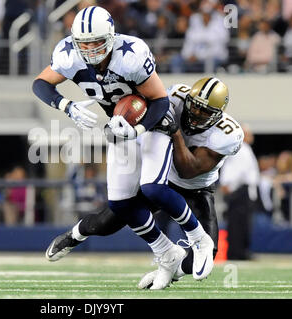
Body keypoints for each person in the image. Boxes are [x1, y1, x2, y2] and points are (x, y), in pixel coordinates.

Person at [32, 6, 215, 290]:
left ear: (111, 36)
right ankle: (166, 253)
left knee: (153, 188)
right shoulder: (67, 54)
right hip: (119, 127)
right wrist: (65, 105)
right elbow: (41, 83)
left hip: (153, 124)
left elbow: (160, 100)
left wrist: (139, 129)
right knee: (120, 204)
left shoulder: (131, 54)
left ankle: (198, 238)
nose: (91, 49)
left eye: (96, 42)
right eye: (85, 43)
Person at [44, 77, 243, 288]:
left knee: (205, 257)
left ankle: (170, 269)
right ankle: (74, 235)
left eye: (205, 112)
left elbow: (188, 171)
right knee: (106, 222)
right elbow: (146, 109)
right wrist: (124, 123)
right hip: (163, 178)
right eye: (195, 106)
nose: (196, 113)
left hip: (197, 188)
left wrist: (175, 133)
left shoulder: (227, 134)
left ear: (218, 114)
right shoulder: (176, 96)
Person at [220, 124, 259, 260]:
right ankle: (238, 252)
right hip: (240, 190)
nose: (252, 136)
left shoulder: (242, 148)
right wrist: (228, 185)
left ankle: (239, 251)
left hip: (241, 190)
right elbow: (239, 171)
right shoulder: (242, 149)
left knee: (240, 222)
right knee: (238, 223)